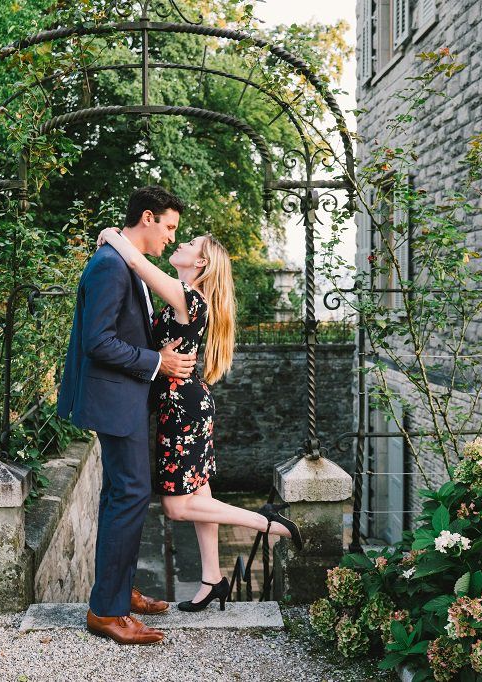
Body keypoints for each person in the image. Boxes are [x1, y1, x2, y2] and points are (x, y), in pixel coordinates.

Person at [96, 219, 302, 614]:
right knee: (200, 494)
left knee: (176, 507)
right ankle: (212, 579)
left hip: (183, 409)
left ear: (201, 263)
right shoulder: (189, 298)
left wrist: (115, 238)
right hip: (188, 404)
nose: (181, 241)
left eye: (190, 242)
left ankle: (268, 523)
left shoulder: (189, 298)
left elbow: (140, 265)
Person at [57, 186, 195, 645]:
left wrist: (155, 355)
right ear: (149, 218)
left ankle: (119, 591)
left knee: (123, 494)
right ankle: (107, 612)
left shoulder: (124, 262)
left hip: (127, 396)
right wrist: (159, 363)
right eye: (170, 227)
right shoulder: (111, 267)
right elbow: (97, 342)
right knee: (131, 493)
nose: (172, 239)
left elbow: (122, 331)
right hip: (116, 400)